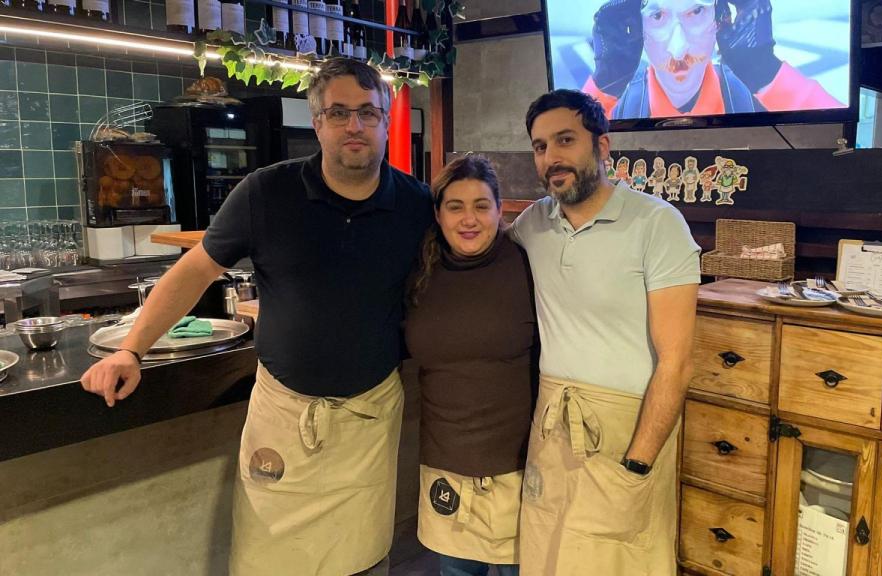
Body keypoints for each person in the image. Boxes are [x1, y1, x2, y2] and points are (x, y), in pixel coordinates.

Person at [80, 58, 433, 576]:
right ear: (318, 123)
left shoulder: (416, 205)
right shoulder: (267, 193)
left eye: (367, 113)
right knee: (267, 561)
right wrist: (133, 347)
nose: (354, 126)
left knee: (363, 561)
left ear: (383, 120)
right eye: (339, 113)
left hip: (369, 421)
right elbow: (194, 270)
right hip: (283, 417)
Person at [511, 89, 700, 575]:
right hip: (551, 424)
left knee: (619, 561)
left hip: (627, 429)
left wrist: (638, 464)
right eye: (539, 146)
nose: (552, 157)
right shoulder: (533, 224)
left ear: (601, 146)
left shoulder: (658, 224)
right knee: (545, 557)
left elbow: (676, 362)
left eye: (565, 140)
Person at [405, 155, 538, 576]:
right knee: (457, 572)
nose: (469, 218)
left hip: (519, 465)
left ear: (501, 210)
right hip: (446, 462)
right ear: (438, 214)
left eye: (481, 205)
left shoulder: (528, 264)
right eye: (455, 206)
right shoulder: (416, 272)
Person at [585, 0, 843, 119]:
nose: (678, 51)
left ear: (720, 21)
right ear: (639, 30)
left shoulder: (759, 96)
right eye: (657, 17)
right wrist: (604, 85)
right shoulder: (618, 106)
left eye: (696, 11)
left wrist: (768, 76)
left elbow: (835, 132)